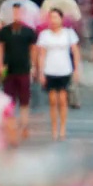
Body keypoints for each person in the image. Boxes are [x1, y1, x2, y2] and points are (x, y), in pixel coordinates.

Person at [37, 9, 81, 140]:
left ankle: (63, 128)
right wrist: (40, 72)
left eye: (56, 17)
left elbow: (76, 52)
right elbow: (42, 55)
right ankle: (54, 128)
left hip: (64, 70)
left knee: (62, 100)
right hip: (50, 70)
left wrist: (76, 69)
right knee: (52, 101)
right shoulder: (44, 35)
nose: (53, 20)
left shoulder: (69, 33)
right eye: (51, 18)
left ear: (61, 19)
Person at [0, 3, 37, 138]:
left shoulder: (29, 31)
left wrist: (34, 66)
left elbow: (33, 50)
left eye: (18, 13)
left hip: (24, 69)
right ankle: (10, 127)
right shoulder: (4, 31)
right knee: (8, 101)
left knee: (24, 100)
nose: (16, 16)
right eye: (14, 13)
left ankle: (24, 126)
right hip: (8, 70)